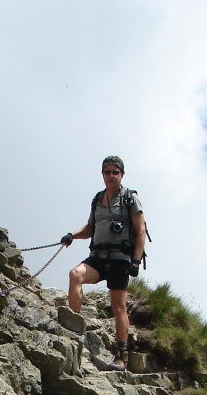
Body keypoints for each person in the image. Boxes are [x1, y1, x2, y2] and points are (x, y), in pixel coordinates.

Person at [60, 155, 146, 370]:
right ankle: (74, 330)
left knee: (118, 306)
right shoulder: (97, 199)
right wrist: (72, 235)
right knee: (75, 275)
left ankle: (121, 354)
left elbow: (140, 230)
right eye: (107, 172)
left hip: (120, 259)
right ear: (102, 175)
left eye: (115, 172)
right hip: (98, 257)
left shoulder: (130, 199)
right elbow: (90, 228)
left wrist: (135, 261)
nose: (111, 176)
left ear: (122, 174)